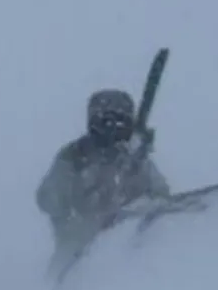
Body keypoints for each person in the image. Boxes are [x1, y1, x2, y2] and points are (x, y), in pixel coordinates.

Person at [36, 89, 170, 274]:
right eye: (107, 122)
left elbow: (161, 195)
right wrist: (77, 213)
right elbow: (46, 198)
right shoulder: (74, 158)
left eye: (121, 123)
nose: (113, 129)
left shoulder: (135, 158)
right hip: (75, 259)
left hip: (126, 256)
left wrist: (139, 208)